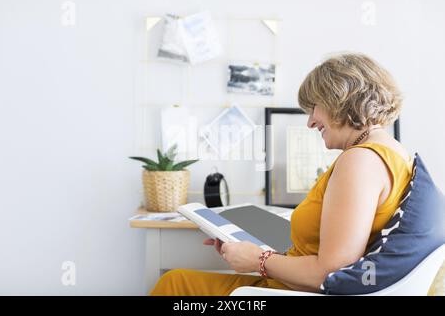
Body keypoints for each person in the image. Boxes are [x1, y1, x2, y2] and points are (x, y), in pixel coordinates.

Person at [150, 53, 414, 295]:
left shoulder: (360, 161)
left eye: (314, 108)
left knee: (174, 284)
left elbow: (331, 273)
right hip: (291, 284)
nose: (310, 122)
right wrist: (251, 250)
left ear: (339, 100)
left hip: (293, 292)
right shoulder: (394, 153)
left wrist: (258, 260)